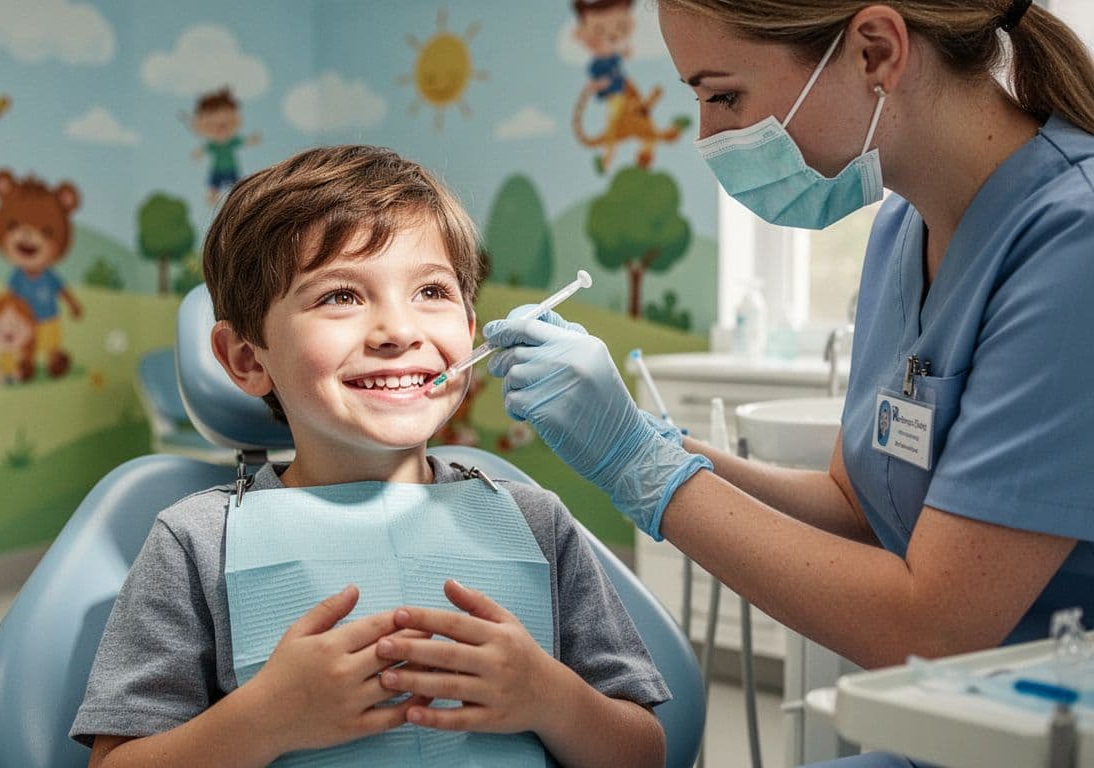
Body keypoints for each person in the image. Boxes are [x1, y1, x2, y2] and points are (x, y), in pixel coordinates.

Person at [402, 2, 1094, 765]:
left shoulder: (1074, 242)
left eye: (723, 96)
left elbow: (930, 628)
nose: (708, 137)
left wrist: (641, 469)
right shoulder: (906, 227)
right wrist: (655, 440)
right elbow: (859, 505)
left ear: (873, 52)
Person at [70, 145, 669, 767]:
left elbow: (646, 753)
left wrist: (552, 700)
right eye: (340, 297)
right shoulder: (195, 543)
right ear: (248, 359)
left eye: (432, 291)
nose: (398, 331)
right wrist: (266, 720)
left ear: (469, 329)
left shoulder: (537, 524)